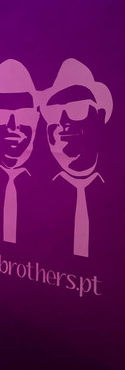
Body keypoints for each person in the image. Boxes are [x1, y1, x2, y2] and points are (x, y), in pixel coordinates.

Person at [41, 58, 112, 258]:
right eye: (54, 112)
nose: (63, 121)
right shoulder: (37, 191)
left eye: (77, 109)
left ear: (99, 118)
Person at [0, 59, 40, 244]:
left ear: (36, 120)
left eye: (23, 114)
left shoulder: (48, 186)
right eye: (1, 114)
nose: (13, 126)